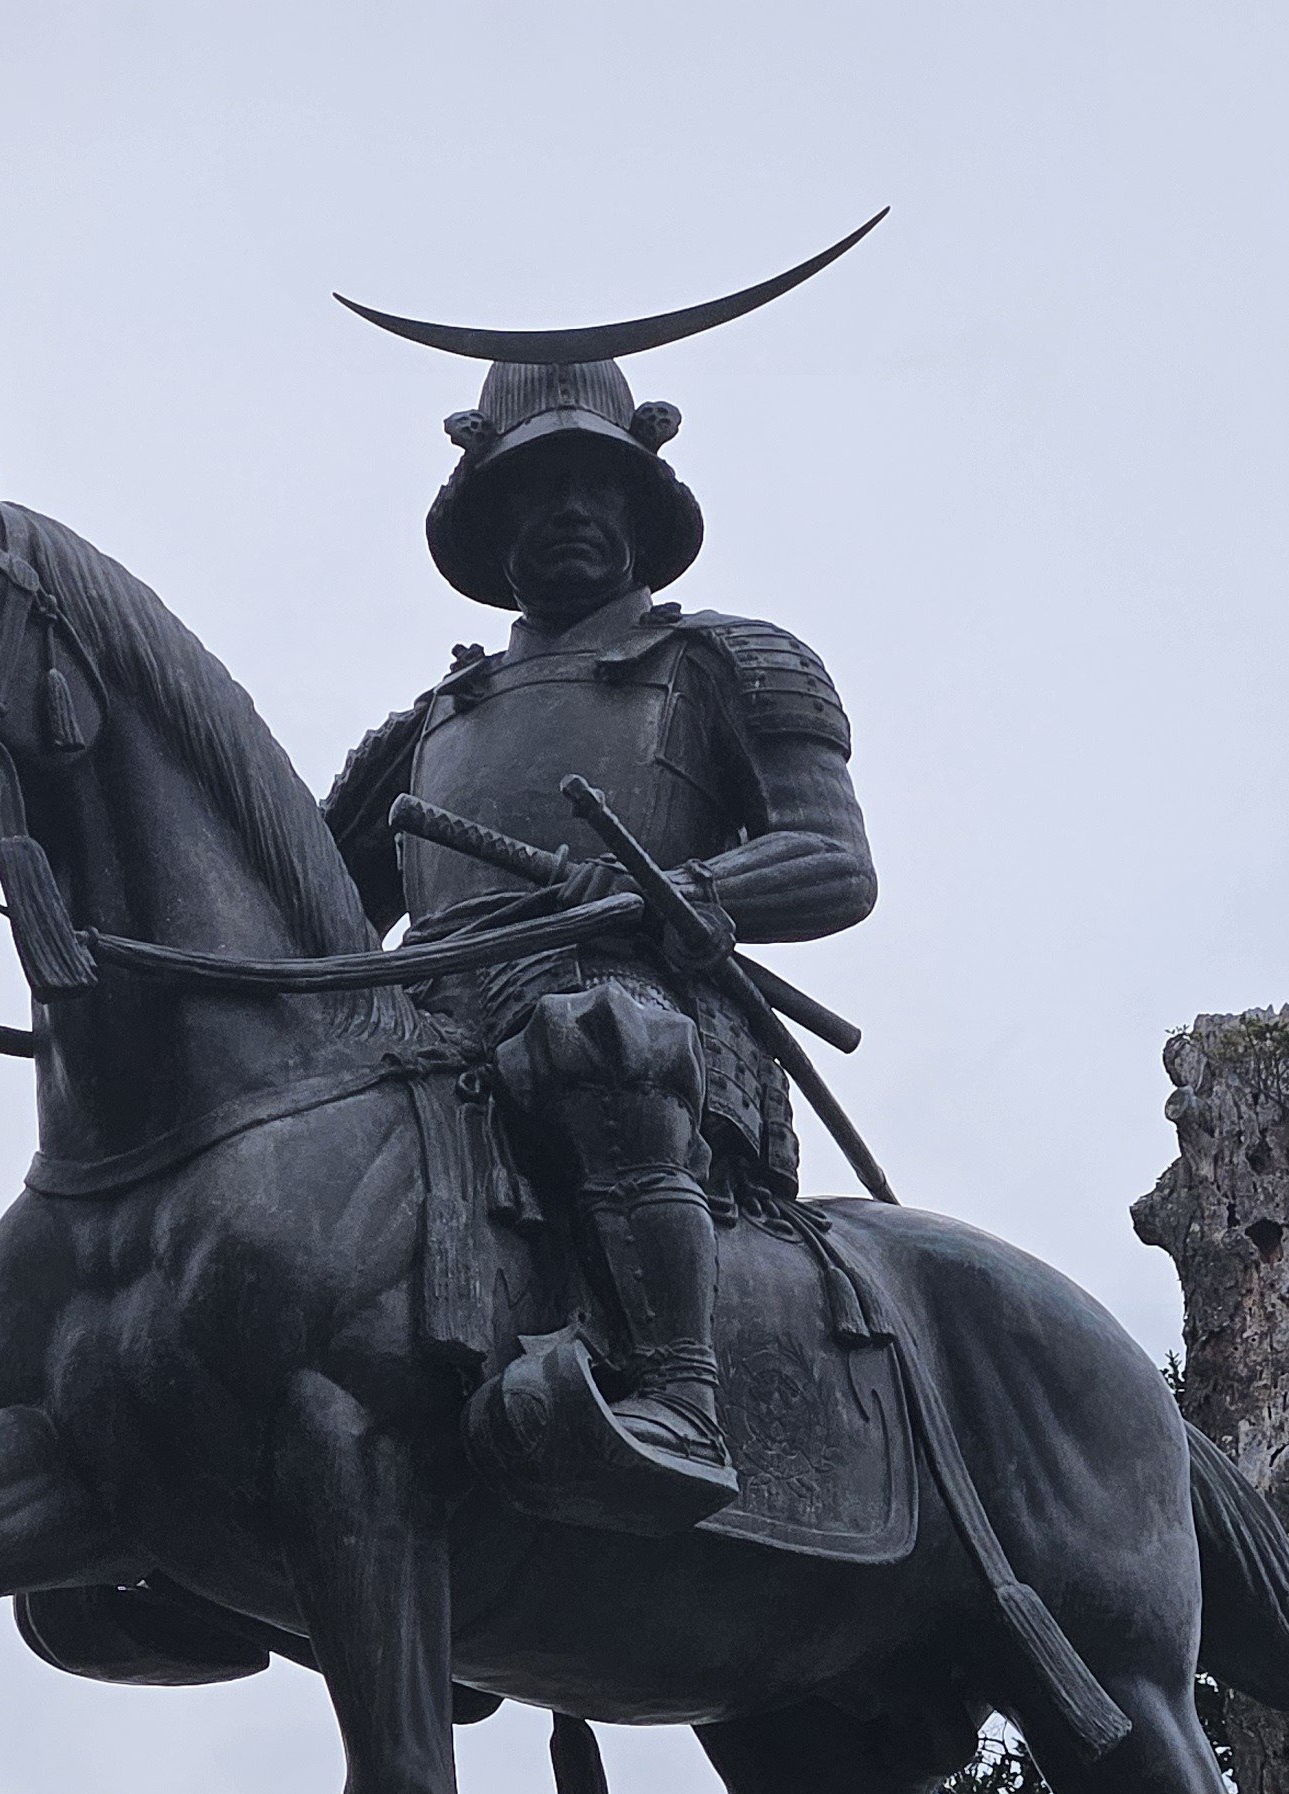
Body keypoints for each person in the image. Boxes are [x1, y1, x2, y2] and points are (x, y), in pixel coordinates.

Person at [324, 355, 875, 1528]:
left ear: (640, 506)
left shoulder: (730, 661)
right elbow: (308, 915)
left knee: (598, 1038)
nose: (568, 509)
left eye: (595, 485)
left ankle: (678, 1392)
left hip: (642, 1017)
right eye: (534, 490)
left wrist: (663, 893)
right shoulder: (426, 728)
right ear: (492, 520)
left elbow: (832, 862)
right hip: (435, 1030)